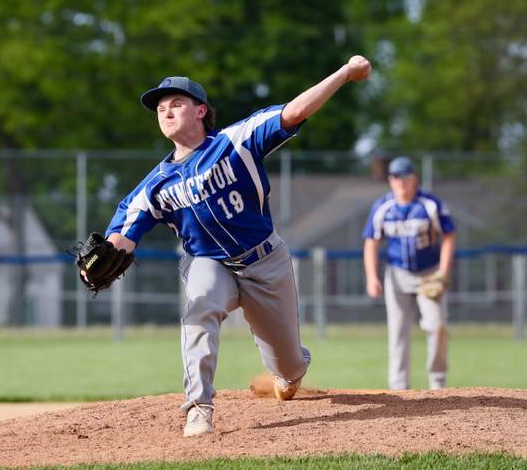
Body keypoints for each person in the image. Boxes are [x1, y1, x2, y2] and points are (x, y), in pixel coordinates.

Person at [99, 55, 371, 437]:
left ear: (201, 111)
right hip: (209, 263)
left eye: (177, 103)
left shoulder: (236, 141)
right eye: (160, 108)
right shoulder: (155, 185)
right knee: (199, 308)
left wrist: (343, 74)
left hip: (266, 263)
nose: (166, 111)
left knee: (289, 368)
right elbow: (122, 233)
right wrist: (102, 257)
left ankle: (288, 372)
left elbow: (293, 112)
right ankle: (198, 407)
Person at [362, 156, 456, 390]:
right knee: (398, 334)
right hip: (397, 275)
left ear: (414, 179)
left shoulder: (430, 205)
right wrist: (372, 277)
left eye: (405, 177)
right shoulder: (382, 207)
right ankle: (398, 388)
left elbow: (449, 236)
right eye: (395, 177)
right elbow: (371, 243)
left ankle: (437, 383)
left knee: (436, 326)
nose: (400, 182)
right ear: (390, 181)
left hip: (429, 275)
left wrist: (443, 272)